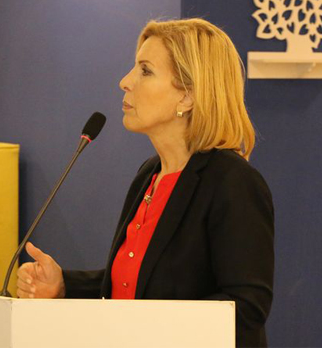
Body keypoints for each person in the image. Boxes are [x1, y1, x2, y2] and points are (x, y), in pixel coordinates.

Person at [17, 18, 275, 347]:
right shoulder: (149, 174)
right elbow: (139, 284)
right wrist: (64, 285)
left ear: (187, 97)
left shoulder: (233, 182)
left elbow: (246, 309)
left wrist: (146, 330)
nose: (125, 81)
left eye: (145, 71)